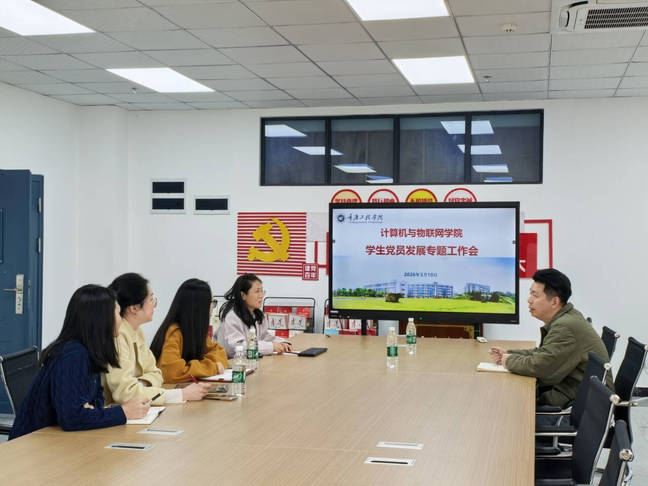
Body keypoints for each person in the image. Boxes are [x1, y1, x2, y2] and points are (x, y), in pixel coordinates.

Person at [9, 285, 150, 440]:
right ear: (102, 319)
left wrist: (88, 410)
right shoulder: (73, 355)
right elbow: (72, 419)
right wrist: (123, 412)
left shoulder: (90, 351)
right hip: (31, 443)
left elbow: (97, 398)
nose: (120, 320)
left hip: (55, 439)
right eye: (117, 313)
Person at [488, 268, 613, 407]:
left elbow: (540, 367)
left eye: (535, 295)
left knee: (511, 405)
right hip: (575, 394)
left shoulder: (565, 326)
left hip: (578, 406)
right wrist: (509, 354)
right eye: (530, 294)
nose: (529, 300)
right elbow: (544, 354)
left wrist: (509, 360)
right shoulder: (569, 316)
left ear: (554, 302)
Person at [103, 273, 210, 406]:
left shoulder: (137, 331)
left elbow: (157, 373)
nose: (154, 304)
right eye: (151, 299)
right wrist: (181, 394)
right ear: (134, 308)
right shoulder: (117, 335)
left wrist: (140, 384)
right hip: (113, 411)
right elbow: (126, 393)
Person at [150, 278, 228, 383]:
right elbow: (171, 372)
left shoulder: (195, 330)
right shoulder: (173, 332)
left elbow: (221, 354)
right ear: (199, 306)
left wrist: (201, 366)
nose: (213, 307)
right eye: (211, 302)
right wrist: (211, 367)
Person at [216, 273, 292, 359]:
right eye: (257, 292)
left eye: (262, 291)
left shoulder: (258, 315)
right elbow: (239, 347)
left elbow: (264, 336)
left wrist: (281, 343)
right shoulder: (232, 317)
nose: (261, 296)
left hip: (249, 361)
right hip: (231, 363)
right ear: (243, 295)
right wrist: (271, 347)